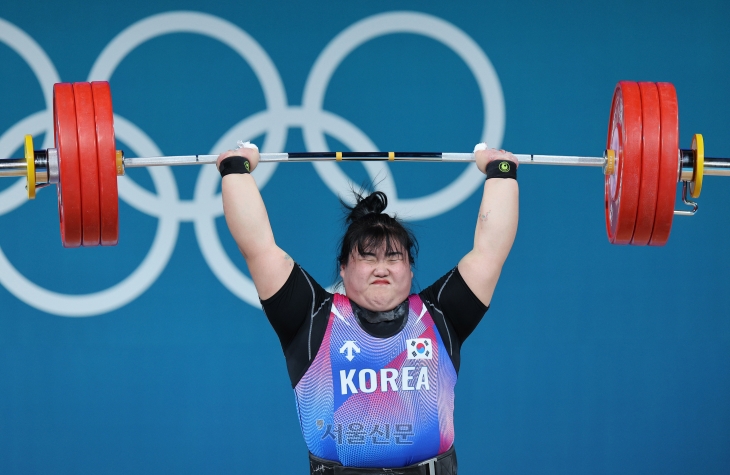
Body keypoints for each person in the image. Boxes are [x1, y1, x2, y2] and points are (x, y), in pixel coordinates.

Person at [216, 143, 519, 475]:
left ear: (410, 269)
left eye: (393, 257)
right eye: (368, 257)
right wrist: (235, 169)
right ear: (343, 268)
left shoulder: (438, 314)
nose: (382, 268)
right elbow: (258, 247)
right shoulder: (310, 316)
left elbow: (490, 251)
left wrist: (500, 172)